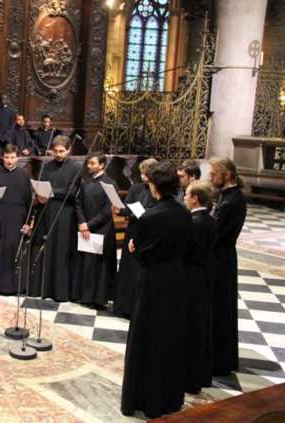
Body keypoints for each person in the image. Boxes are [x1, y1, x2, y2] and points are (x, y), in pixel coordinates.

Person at [121, 161, 191, 419]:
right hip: (176, 279)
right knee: (170, 336)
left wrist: (133, 249)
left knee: (147, 337)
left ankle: (143, 398)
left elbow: (141, 252)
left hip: (152, 282)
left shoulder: (151, 216)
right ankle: (169, 396)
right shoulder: (184, 213)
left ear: (155, 186)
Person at [29, 135, 81, 301]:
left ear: (68, 150)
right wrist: (39, 194)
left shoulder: (75, 167)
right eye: (55, 151)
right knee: (46, 248)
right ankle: (43, 288)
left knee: (61, 250)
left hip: (65, 214)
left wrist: (52, 193)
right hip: (47, 211)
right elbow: (41, 185)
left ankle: (60, 291)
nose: (58, 154)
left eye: (62, 151)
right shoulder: (47, 166)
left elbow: (73, 191)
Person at [209, 157, 247, 376]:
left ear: (227, 175)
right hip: (220, 257)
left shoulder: (233, 200)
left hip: (221, 260)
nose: (212, 178)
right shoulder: (226, 196)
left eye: (215, 174)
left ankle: (220, 360)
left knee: (221, 307)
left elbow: (218, 233)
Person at [113, 158, 158, 318]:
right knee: (128, 268)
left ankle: (136, 308)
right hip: (132, 230)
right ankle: (123, 306)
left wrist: (138, 213)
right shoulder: (137, 188)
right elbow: (128, 205)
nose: (143, 177)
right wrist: (120, 210)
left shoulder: (157, 190)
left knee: (139, 270)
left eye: (146, 174)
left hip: (146, 233)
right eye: (141, 173)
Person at [183, 179, 217, 394]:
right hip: (204, 276)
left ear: (195, 198)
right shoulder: (211, 220)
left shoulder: (194, 223)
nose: (184, 197)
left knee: (190, 327)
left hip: (191, 278)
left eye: (187, 194)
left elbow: (186, 252)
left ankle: (189, 375)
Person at [71, 153, 117, 308]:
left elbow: (106, 211)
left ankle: (97, 299)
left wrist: (88, 225)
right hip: (85, 227)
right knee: (84, 262)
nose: (89, 166)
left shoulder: (110, 183)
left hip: (101, 229)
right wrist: (82, 222)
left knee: (98, 265)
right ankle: (83, 296)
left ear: (102, 165)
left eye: (92, 163)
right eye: (88, 163)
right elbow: (78, 203)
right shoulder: (85, 182)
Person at [0, 144, 32, 295]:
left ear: (17, 158)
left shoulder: (24, 174)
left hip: (18, 217)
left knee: (14, 251)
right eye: (7, 157)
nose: (9, 161)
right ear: (2, 157)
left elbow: (29, 201)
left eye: (12, 157)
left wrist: (27, 222)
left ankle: (14, 287)